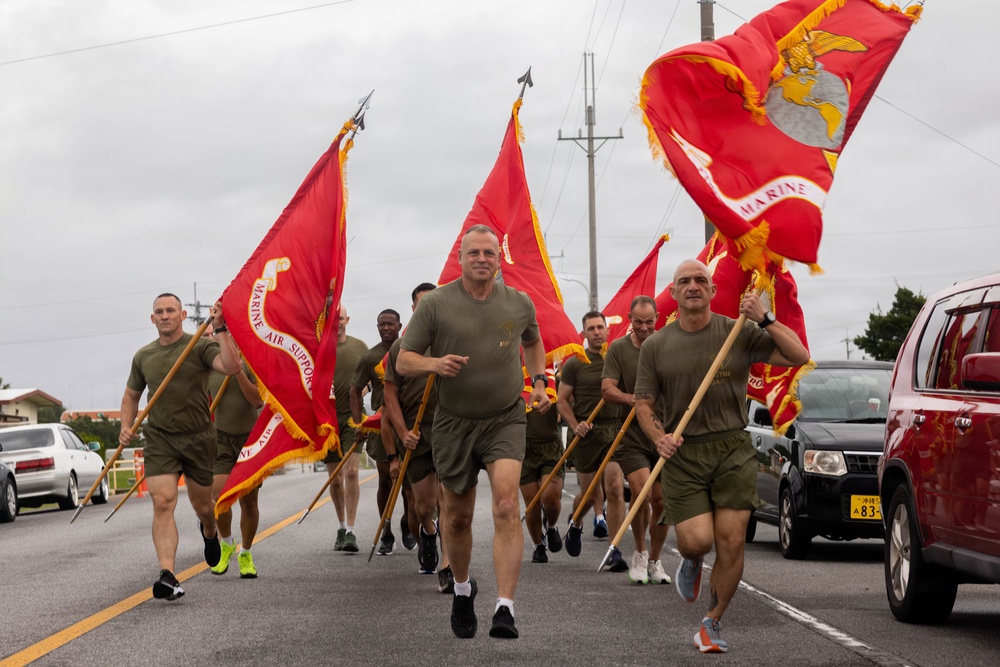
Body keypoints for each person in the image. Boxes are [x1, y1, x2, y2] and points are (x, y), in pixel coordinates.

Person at [635, 259, 808, 653]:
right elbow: (643, 404)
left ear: (713, 291)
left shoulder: (738, 333)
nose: (693, 286)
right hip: (683, 452)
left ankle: (711, 623)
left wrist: (764, 319)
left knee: (731, 542)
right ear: (674, 294)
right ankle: (693, 560)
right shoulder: (656, 346)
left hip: (732, 447)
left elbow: (798, 355)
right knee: (697, 541)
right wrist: (658, 438)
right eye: (685, 281)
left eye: (701, 280)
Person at [397, 224, 551, 640]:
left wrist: (539, 383)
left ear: (499, 259)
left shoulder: (518, 303)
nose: (482, 259)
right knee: (459, 517)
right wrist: (434, 364)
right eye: (473, 253)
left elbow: (534, 343)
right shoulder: (437, 304)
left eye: (489, 253)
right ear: (461, 258)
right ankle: (463, 590)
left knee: (505, 504)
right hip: (453, 423)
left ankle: (505, 608)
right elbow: (403, 360)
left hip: (505, 417)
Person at [120, 293, 241, 600]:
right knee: (163, 501)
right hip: (160, 438)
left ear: (183, 314)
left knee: (203, 506)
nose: (164, 315)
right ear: (152, 318)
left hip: (199, 437)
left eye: (170, 310)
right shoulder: (143, 356)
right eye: (159, 311)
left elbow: (230, 366)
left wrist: (222, 328)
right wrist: (125, 425)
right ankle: (167, 575)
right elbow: (132, 396)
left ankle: (210, 532)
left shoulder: (199, 345)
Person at [383, 282, 451, 583]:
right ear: (414, 309)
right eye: (421, 304)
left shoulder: (451, 342)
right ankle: (428, 531)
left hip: (449, 430)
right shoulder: (400, 347)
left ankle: (448, 565)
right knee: (424, 506)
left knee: (449, 502)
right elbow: (389, 397)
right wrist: (402, 432)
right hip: (416, 433)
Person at [602, 296, 671, 585]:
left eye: (649, 321)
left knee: (662, 501)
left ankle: (656, 560)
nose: (644, 327)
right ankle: (639, 553)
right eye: (638, 321)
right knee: (641, 494)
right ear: (629, 317)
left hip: (663, 434)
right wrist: (632, 398)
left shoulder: (667, 344)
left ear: (658, 317)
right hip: (631, 435)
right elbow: (607, 389)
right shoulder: (618, 348)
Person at [555, 311, 623, 558]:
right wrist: (575, 425)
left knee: (615, 488)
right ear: (584, 334)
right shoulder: (576, 363)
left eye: (600, 328)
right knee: (591, 494)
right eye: (591, 329)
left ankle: (613, 549)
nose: (596, 332)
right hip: (586, 435)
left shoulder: (617, 360)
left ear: (607, 331)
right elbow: (561, 400)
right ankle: (576, 522)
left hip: (614, 430)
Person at [350, 309, 409, 556]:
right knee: (385, 479)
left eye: (390, 324)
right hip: (381, 424)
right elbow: (354, 390)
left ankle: (409, 522)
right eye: (381, 324)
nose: (386, 328)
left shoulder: (409, 351)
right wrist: (359, 423)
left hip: (408, 424)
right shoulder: (370, 356)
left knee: (409, 482)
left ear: (399, 326)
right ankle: (386, 531)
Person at [207, 329, 265, 579]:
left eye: (221, 333)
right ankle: (227, 542)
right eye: (212, 335)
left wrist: (238, 371)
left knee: (249, 501)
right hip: (220, 442)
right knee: (219, 499)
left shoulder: (250, 363)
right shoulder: (208, 367)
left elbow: (257, 400)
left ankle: (246, 553)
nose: (216, 338)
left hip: (249, 443)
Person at [325, 305, 369, 553]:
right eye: (333, 318)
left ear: (347, 320)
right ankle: (341, 526)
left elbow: (374, 377)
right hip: (326, 420)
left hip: (352, 417)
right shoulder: (320, 347)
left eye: (340, 318)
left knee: (351, 473)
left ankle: (351, 531)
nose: (337, 322)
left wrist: (364, 390)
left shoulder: (360, 347)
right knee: (335, 478)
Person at [519, 391, 564, 564]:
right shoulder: (516, 376)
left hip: (550, 446)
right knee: (532, 504)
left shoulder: (551, 379)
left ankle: (551, 526)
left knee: (550, 497)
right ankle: (538, 545)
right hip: (524, 448)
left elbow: (568, 400)